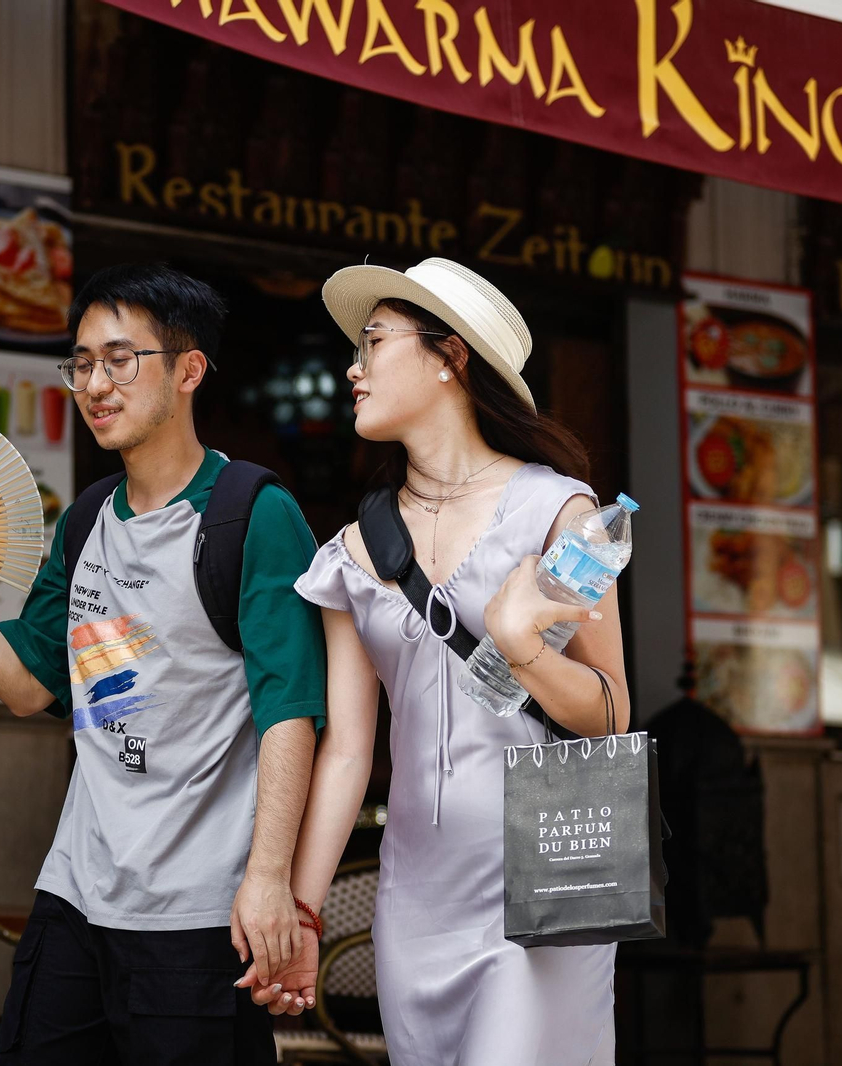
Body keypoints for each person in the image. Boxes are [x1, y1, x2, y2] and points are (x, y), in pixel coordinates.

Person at [0, 263, 326, 1064]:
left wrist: (269, 878)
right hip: (75, 898)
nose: (95, 384)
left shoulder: (252, 511)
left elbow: (288, 707)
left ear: (189, 371)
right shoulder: (85, 521)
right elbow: (25, 685)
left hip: (195, 915)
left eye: (120, 360)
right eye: (81, 363)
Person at [242, 258, 628, 1064]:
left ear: (449, 356)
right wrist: (305, 912)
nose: (352, 368)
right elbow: (348, 751)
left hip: (544, 874)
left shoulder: (557, 510)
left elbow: (611, 711)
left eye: (373, 343)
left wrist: (522, 646)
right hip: (415, 897)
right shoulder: (354, 552)